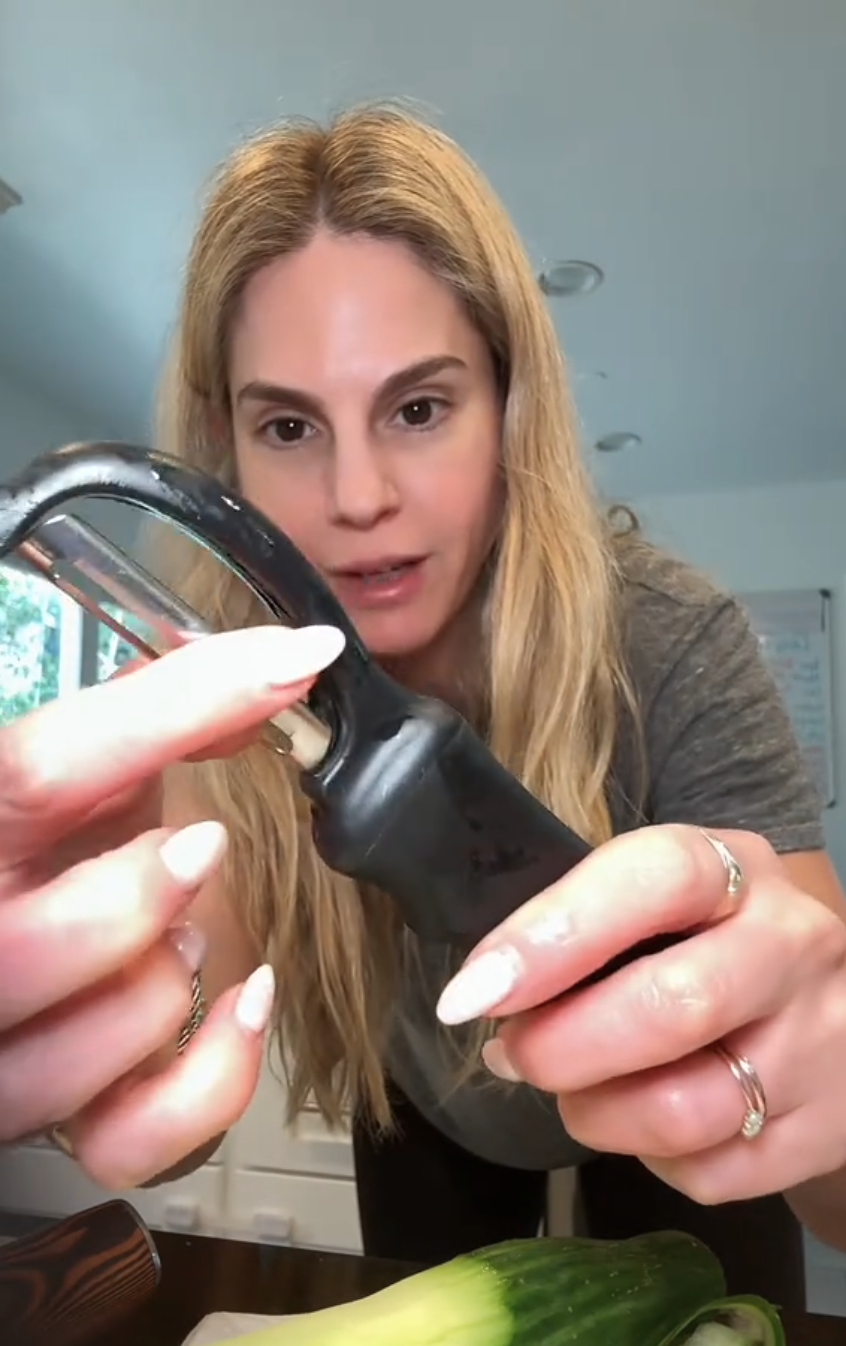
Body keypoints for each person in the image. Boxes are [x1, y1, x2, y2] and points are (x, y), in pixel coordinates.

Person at [2, 102, 846, 1307]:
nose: (358, 496)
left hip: (683, 1118)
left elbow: (835, 1192)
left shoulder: (675, 643)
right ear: (223, 453)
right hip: (420, 1115)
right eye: (289, 425)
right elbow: (172, 1111)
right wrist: (101, 1014)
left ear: (511, 410)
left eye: (418, 408)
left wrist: (825, 1079)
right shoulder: (214, 710)